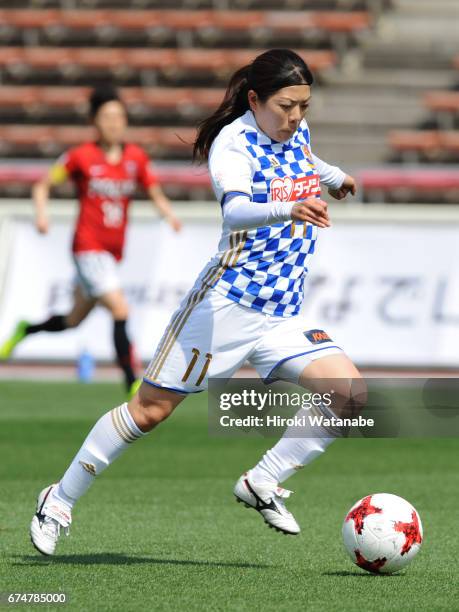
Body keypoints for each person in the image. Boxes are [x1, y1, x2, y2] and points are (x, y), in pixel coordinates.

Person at [29, 49, 365, 556]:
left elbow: (306, 162)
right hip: (224, 307)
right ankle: (58, 499)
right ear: (254, 100)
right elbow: (237, 212)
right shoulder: (233, 144)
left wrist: (333, 176)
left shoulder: (296, 132)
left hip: (280, 314)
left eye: (304, 106)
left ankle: (262, 481)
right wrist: (290, 206)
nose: (296, 117)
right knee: (148, 412)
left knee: (350, 397)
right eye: (285, 105)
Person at [0, 85, 181, 397]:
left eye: (119, 117)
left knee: (73, 321)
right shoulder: (80, 157)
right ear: (94, 121)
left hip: (111, 253)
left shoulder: (135, 158)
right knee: (120, 308)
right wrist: (42, 215)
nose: (114, 123)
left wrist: (169, 215)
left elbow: (153, 191)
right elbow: (43, 186)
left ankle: (25, 329)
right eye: (107, 117)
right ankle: (131, 382)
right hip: (87, 248)